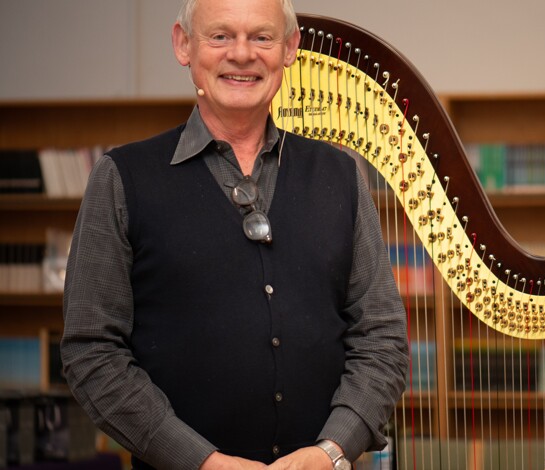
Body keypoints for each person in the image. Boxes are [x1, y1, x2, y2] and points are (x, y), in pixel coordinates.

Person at [60, 0, 408, 468]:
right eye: (220, 36)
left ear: (289, 49)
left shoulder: (341, 174)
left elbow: (381, 338)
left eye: (261, 37)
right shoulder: (122, 177)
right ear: (184, 45)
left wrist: (331, 451)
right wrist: (201, 461)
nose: (242, 55)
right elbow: (91, 353)